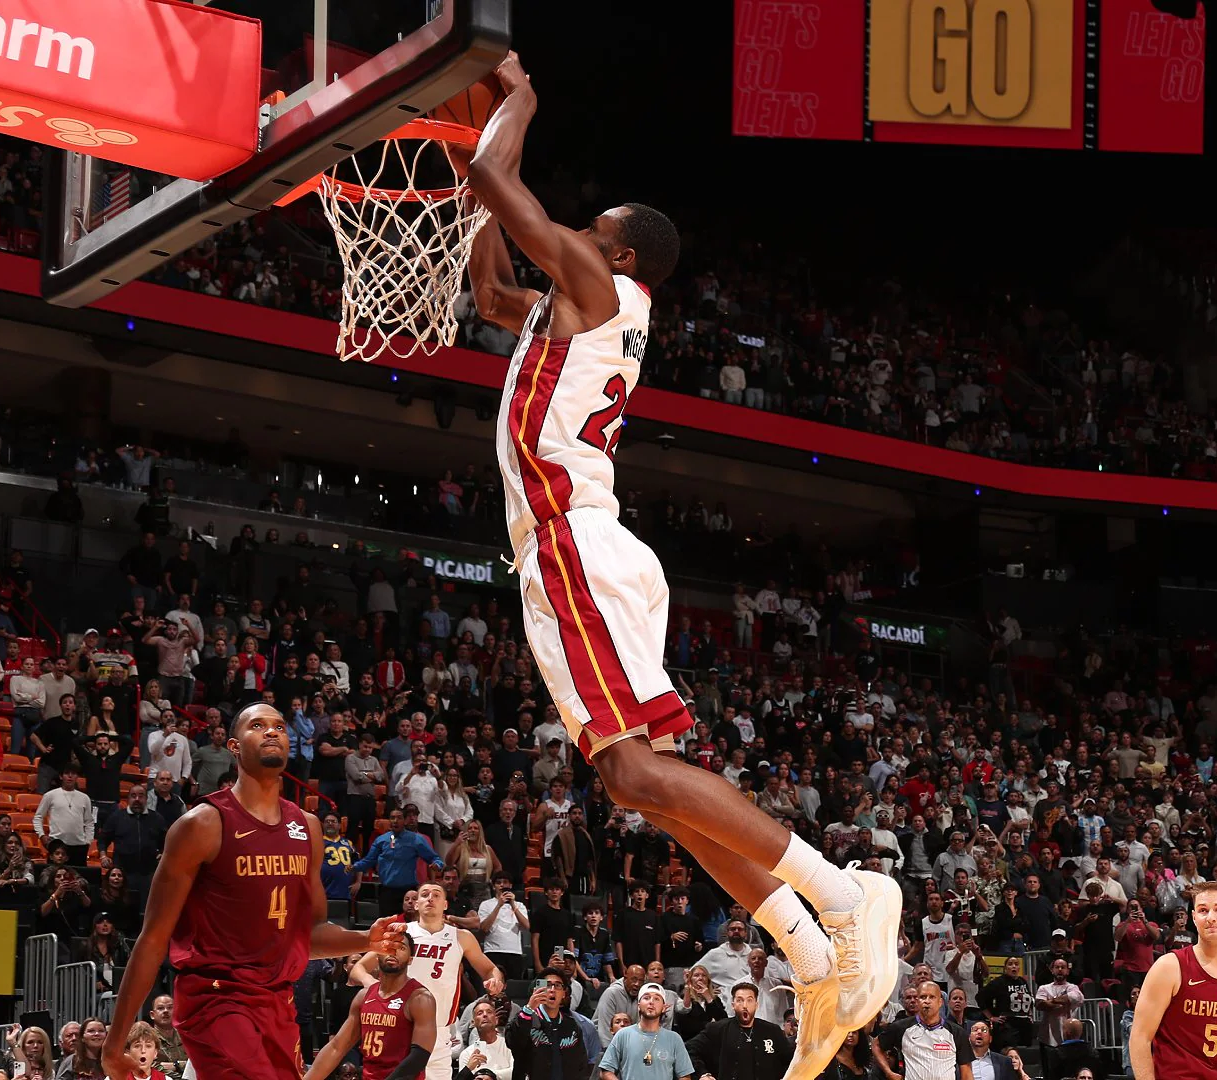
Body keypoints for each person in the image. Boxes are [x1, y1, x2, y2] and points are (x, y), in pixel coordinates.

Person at [460, 51, 899, 1080]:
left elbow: (494, 180)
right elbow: (488, 286)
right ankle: (807, 952)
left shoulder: (602, 286)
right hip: (587, 548)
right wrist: (467, 149)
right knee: (649, 793)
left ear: (617, 252)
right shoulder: (569, 308)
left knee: (632, 775)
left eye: (589, 226)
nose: (573, 232)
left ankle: (847, 901)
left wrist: (519, 100)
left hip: (573, 543)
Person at [100, 703, 404, 1080]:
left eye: (279, 726)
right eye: (258, 726)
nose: (272, 731)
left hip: (277, 999)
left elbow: (308, 935)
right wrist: (114, 1043)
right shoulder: (202, 824)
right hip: (216, 998)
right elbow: (152, 938)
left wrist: (366, 940)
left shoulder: (307, 828)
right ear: (234, 746)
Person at [348, 881, 508, 1080]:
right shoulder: (401, 934)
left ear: (445, 905)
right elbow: (358, 969)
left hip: (440, 1032)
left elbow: (490, 969)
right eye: (424, 894)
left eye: (436, 895)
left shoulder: (461, 937)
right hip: (400, 1028)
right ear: (416, 904)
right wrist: (372, 985)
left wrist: (495, 981)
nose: (430, 898)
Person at [1129, 882, 1217, 1080]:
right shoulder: (1169, 966)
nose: (1211, 917)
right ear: (1194, 917)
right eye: (1203, 910)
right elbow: (1140, 1038)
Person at [305, 933, 438, 1080]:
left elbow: (418, 1058)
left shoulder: (420, 998)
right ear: (377, 955)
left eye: (401, 948)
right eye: (389, 946)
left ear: (410, 959)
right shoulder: (364, 996)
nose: (394, 952)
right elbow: (336, 1047)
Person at [684, 983, 791, 1080]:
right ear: (733, 1005)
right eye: (739, 1000)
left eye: (749, 1000)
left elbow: (791, 1060)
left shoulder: (772, 1031)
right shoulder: (717, 1029)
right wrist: (703, 1074)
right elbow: (689, 1049)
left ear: (756, 1004)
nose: (745, 1005)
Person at [871, 980, 971, 1080]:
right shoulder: (902, 1028)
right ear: (918, 1001)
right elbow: (876, 1045)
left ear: (940, 1002)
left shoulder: (957, 1032)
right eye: (923, 997)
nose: (927, 1001)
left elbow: (966, 1072)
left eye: (932, 997)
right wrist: (889, 1073)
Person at [600, 983, 693, 1080]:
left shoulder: (674, 1038)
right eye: (646, 998)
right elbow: (606, 1071)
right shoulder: (623, 1035)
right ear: (639, 1006)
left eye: (656, 999)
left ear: (663, 1008)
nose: (651, 1002)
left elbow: (685, 1076)